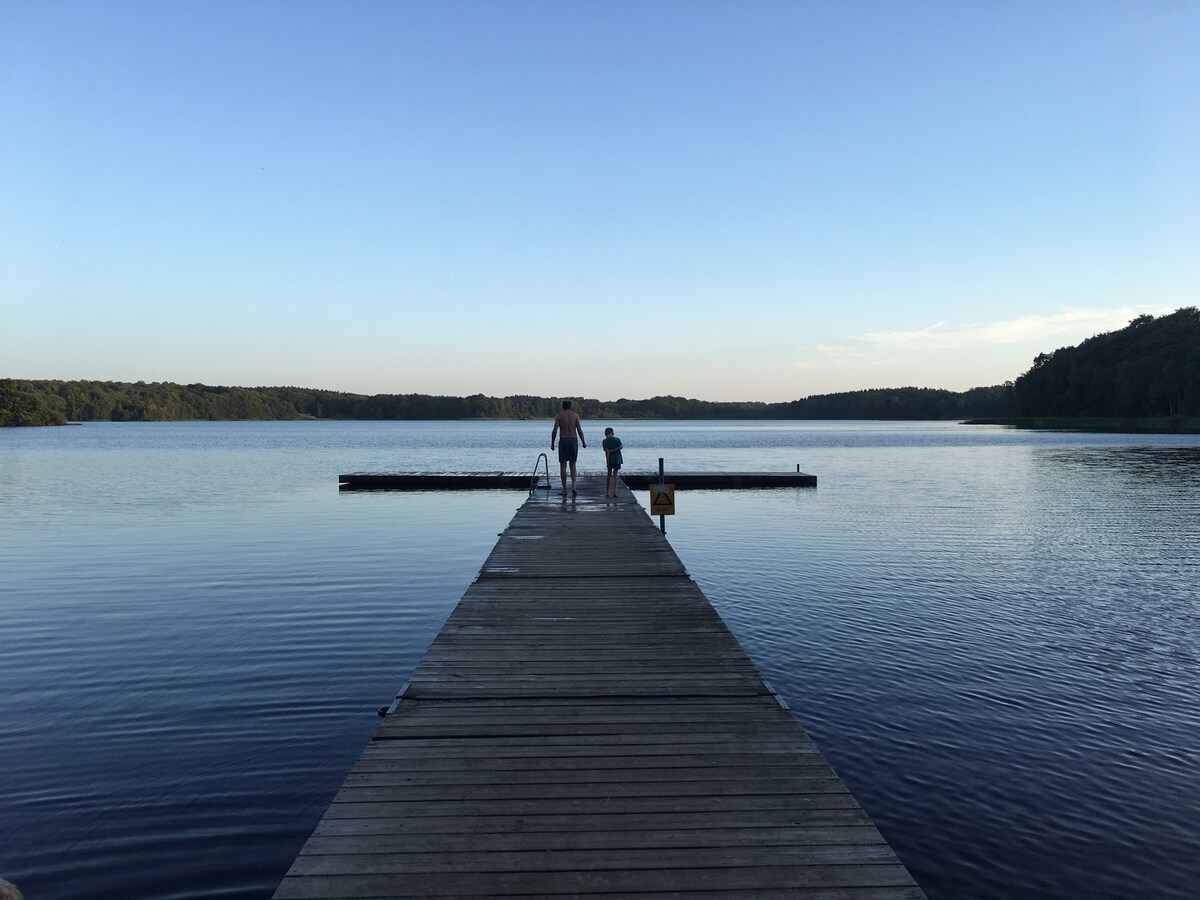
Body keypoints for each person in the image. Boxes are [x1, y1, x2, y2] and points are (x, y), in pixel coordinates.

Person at [550, 400, 586, 496]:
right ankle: (574, 486)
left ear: (562, 406)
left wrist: (552, 443)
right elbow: (579, 430)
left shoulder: (559, 416)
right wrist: (583, 441)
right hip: (573, 440)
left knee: (563, 465)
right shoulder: (575, 415)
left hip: (564, 440)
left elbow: (554, 431)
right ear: (570, 406)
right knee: (573, 464)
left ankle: (565, 489)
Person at [601, 427, 624, 497]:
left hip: (610, 459)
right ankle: (615, 492)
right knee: (615, 475)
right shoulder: (617, 439)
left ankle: (607, 492)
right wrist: (614, 450)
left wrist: (607, 462)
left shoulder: (605, 441)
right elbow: (621, 446)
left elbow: (607, 452)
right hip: (617, 459)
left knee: (609, 475)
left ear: (605, 434)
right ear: (613, 433)